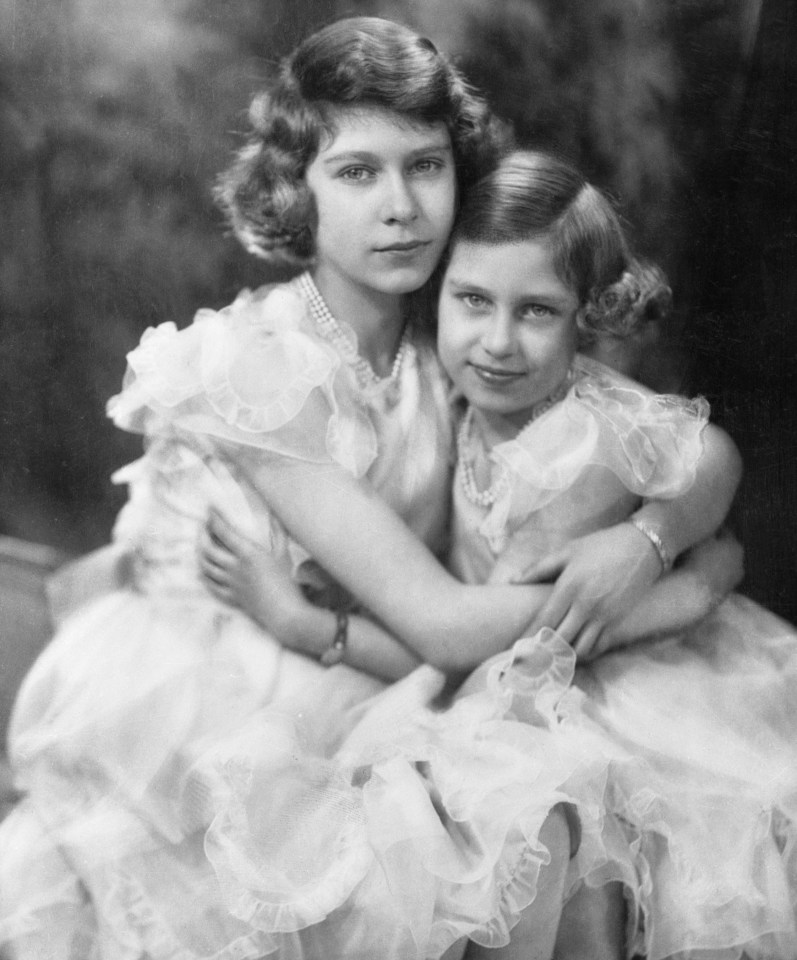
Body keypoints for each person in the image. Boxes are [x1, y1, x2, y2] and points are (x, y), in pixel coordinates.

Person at [0, 19, 741, 960]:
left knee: (594, 800)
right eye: (356, 172)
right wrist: (681, 584)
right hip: (238, 677)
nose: (400, 206)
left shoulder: (463, 324)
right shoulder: (260, 371)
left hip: (390, 646)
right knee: (472, 833)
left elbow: (697, 453)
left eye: (425, 166)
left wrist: (643, 539)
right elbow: (439, 624)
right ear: (293, 193)